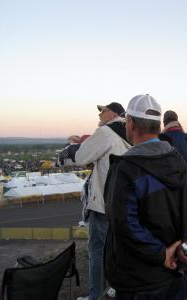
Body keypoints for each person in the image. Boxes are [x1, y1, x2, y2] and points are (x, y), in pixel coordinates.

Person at [104, 94, 187, 300]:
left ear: (130, 123)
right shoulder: (183, 165)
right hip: (177, 274)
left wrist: (161, 253)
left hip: (139, 280)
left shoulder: (125, 169)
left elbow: (123, 223)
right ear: (158, 126)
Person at [58, 102, 131, 300]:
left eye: (103, 110)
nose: (99, 114)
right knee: (118, 249)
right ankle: (114, 287)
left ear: (114, 114)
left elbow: (81, 157)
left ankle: (95, 296)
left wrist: (70, 146)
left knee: (98, 251)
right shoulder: (132, 132)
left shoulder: (107, 132)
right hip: (124, 203)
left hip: (103, 204)